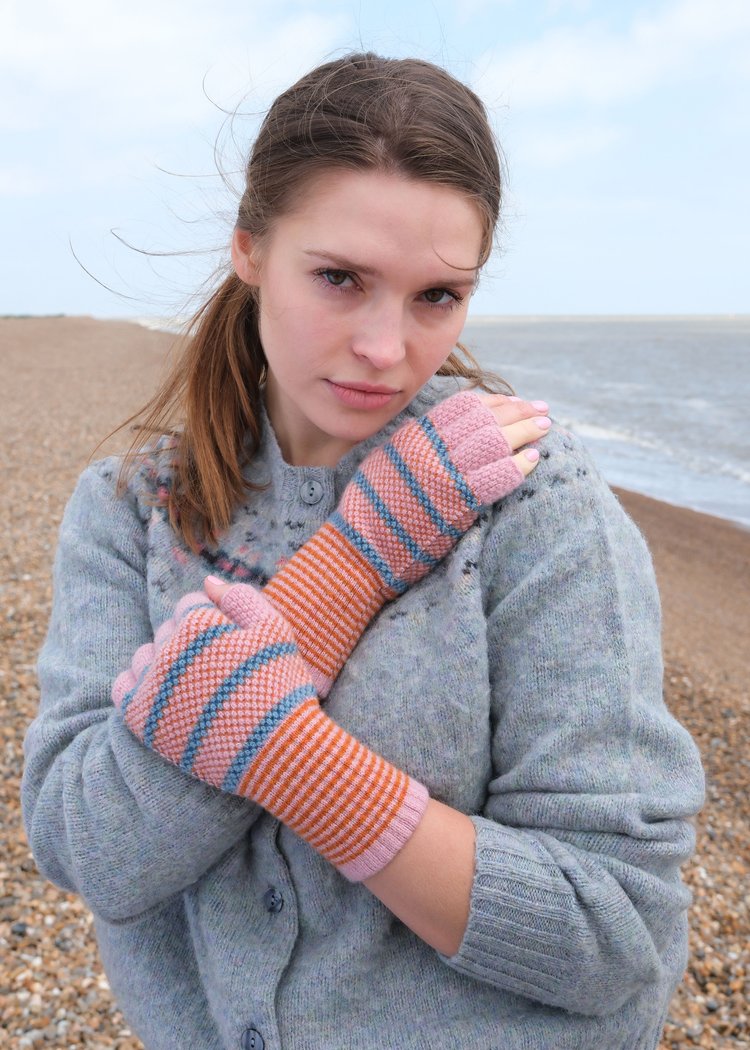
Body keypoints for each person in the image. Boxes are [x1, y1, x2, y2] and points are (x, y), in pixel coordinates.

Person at [22, 52, 704, 1050]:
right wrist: (354, 563)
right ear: (250, 247)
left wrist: (288, 754)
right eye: (341, 279)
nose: (387, 347)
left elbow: (614, 938)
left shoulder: (530, 496)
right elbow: (91, 851)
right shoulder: (131, 511)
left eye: (438, 296)